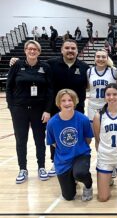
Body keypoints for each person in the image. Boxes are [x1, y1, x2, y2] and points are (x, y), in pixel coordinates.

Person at [9, 39, 90, 177]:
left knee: (75, 136)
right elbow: (33, 63)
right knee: (57, 136)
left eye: (73, 48)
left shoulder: (85, 67)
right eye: (67, 48)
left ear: (77, 50)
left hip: (77, 108)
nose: (70, 50)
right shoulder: (51, 64)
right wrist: (15, 60)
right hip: (56, 108)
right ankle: (55, 161)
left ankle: (76, 162)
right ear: (62, 50)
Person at [6, 40, 53, 184]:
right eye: (29, 49)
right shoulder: (17, 65)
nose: (32, 51)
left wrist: (47, 110)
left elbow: (50, 90)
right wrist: (11, 107)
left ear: (39, 52)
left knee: (39, 139)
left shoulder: (45, 67)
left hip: (39, 110)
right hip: (19, 109)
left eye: (35, 49)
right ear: (25, 50)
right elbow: (8, 87)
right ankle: (23, 169)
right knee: (21, 140)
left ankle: (41, 167)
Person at [46, 89, 93, 201]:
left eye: (70, 100)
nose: (67, 103)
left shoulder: (83, 119)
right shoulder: (52, 122)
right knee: (68, 196)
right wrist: (66, 149)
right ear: (59, 103)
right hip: (63, 159)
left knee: (80, 173)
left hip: (80, 155)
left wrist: (77, 148)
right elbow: (53, 143)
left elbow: (88, 139)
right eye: (63, 101)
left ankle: (88, 186)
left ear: (74, 101)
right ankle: (72, 176)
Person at [87, 49, 117, 124]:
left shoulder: (114, 71)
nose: (100, 59)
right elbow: (88, 87)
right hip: (93, 106)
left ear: (107, 59)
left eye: (103, 57)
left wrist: (111, 65)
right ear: (94, 58)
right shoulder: (89, 71)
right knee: (94, 133)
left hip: (108, 105)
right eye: (98, 57)